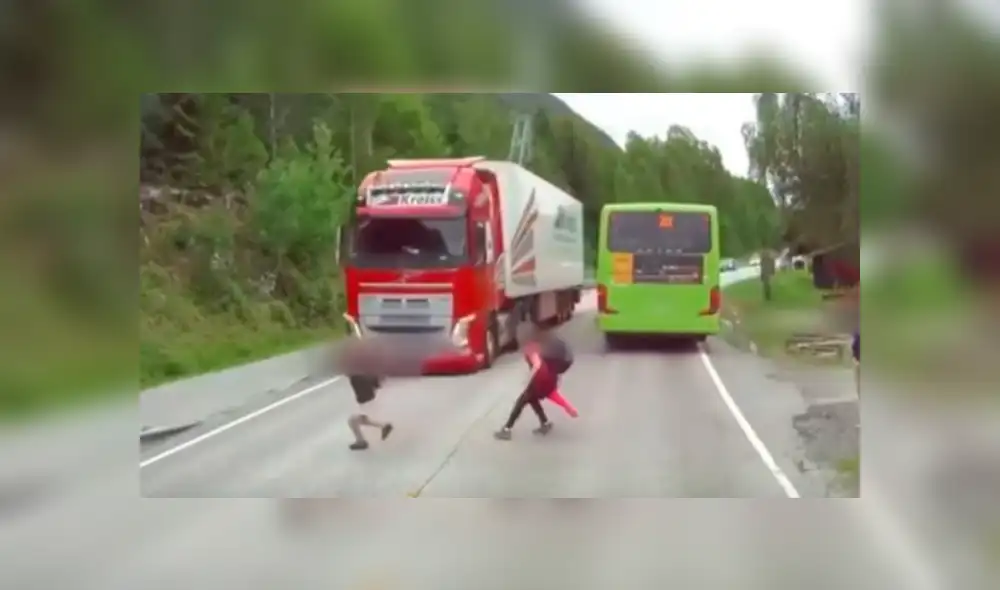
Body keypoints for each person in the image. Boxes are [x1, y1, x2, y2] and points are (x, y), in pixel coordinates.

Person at [494, 322, 576, 440]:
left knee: (521, 401)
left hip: (540, 380)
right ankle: (545, 423)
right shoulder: (539, 344)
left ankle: (507, 429)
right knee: (532, 399)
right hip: (549, 378)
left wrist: (527, 379)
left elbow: (537, 364)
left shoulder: (531, 347)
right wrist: (567, 407)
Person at [347, 374, 394, 450]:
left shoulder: (356, 377)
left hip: (366, 401)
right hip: (370, 399)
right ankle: (383, 426)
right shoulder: (362, 373)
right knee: (362, 420)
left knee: (352, 421)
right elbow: (377, 384)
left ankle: (361, 442)